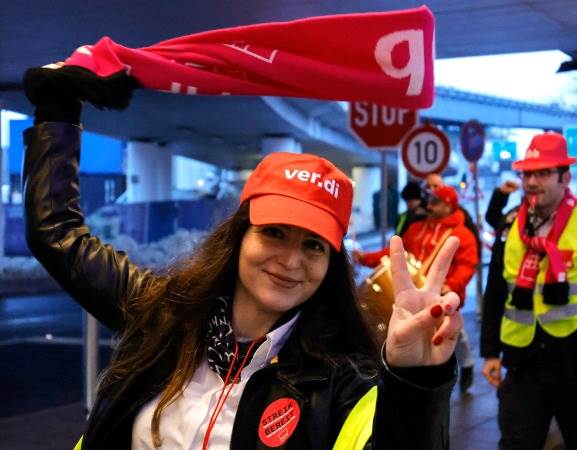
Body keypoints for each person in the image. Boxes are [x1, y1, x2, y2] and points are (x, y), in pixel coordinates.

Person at [23, 65, 464, 449]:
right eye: (274, 233)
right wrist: (57, 115)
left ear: (332, 264)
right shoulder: (161, 312)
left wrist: (416, 382)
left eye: (314, 245)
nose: (291, 260)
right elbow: (56, 235)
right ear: (238, 237)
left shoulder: (343, 380)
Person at [480, 132, 577, 450]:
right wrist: (489, 352)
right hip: (522, 364)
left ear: (565, 177)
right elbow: (496, 291)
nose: (532, 181)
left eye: (543, 173)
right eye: (527, 173)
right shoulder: (512, 226)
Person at [353, 184, 479, 393]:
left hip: (442, 296)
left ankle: (466, 366)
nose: (429, 205)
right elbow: (395, 255)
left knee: (454, 332)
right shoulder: (417, 228)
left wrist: (451, 286)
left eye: (435, 202)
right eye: (429, 200)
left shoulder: (462, 234)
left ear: (449, 205)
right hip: (414, 292)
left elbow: (467, 266)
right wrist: (366, 258)